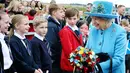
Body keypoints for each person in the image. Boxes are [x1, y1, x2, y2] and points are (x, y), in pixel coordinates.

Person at [85, 1, 127, 73]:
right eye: (92, 18)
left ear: (106, 19)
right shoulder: (93, 30)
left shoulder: (120, 32)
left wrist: (98, 66)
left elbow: (119, 58)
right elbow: (87, 49)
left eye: (96, 19)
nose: (93, 22)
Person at [59, 8, 83, 73]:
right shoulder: (65, 31)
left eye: (74, 19)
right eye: (69, 19)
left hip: (76, 62)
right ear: (66, 18)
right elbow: (68, 50)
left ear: (78, 18)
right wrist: (77, 61)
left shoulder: (76, 29)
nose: (72, 21)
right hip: (69, 63)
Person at [45, 4, 64, 73]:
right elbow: (51, 44)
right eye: (61, 12)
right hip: (54, 60)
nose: (63, 14)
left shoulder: (57, 24)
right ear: (54, 12)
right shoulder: (51, 26)